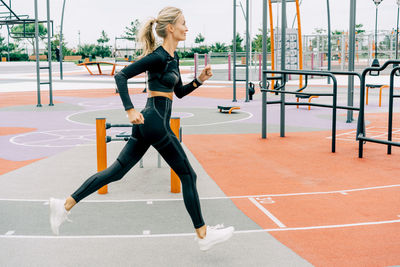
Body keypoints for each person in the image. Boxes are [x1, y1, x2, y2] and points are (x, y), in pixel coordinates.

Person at [49, 6, 234, 251]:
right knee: (189, 175)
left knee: (117, 172)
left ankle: (63, 205)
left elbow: (177, 93)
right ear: (170, 28)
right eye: (183, 23)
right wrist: (129, 110)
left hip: (151, 123)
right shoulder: (157, 56)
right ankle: (202, 234)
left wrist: (199, 80)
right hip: (154, 122)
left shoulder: (173, 58)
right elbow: (121, 76)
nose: (187, 28)